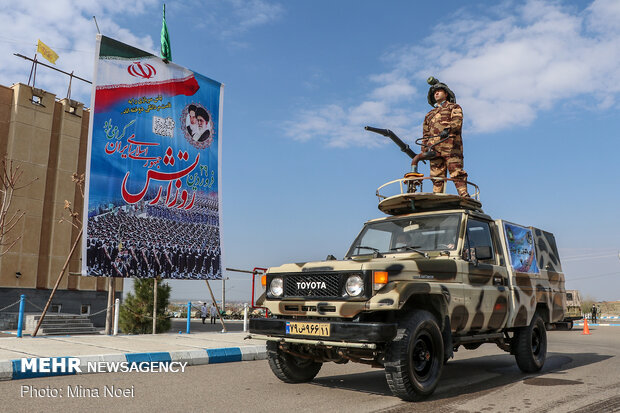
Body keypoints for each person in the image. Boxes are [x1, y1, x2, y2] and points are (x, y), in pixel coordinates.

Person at [420, 77, 470, 198]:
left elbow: (457, 122)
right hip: (434, 149)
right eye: (434, 92)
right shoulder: (429, 115)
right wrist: (424, 150)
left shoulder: (454, 107)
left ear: (446, 93)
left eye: (439, 91)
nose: (436, 93)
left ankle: (464, 196)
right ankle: (437, 198)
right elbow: (425, 134)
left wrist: (448, 129)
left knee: (457, 173)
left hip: (451, 147)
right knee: (436, 177)